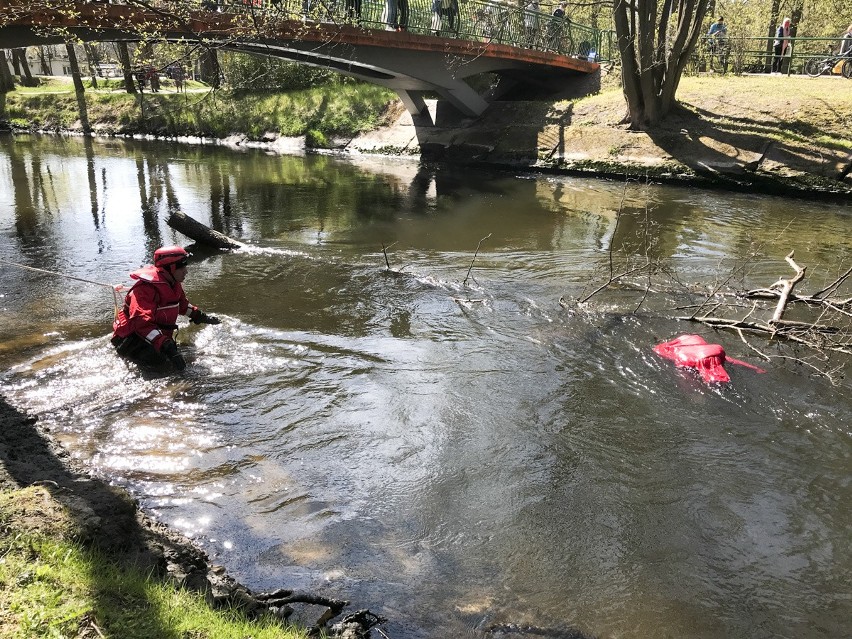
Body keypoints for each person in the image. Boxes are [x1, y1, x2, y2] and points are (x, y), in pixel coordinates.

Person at [111, 246, 220, 371]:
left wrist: (201, 316)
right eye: (182, 267)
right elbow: (142, 323)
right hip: (132, 340)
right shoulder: (143, 290)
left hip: (153, 336)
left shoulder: (173, 284)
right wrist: (165, 344)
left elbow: (182, 306)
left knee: (180, 357)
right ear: (170, 269)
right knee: (162, 365)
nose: (186, 271)